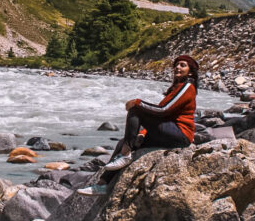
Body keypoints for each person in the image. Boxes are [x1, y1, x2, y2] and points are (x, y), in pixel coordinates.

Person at [78, 54, 199, 195]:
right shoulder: (177, 88)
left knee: (136, 110)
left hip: (181, 135)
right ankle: (102, 184)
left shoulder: (188, 86)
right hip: (171, 132)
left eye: (182, 65)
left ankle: (125, 154)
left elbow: (164, 111)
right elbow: (161, 117)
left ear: (190, 71)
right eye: (176, 65)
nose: (177, 67)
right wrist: (143, 133)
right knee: (124, 141)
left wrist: (137, 103)